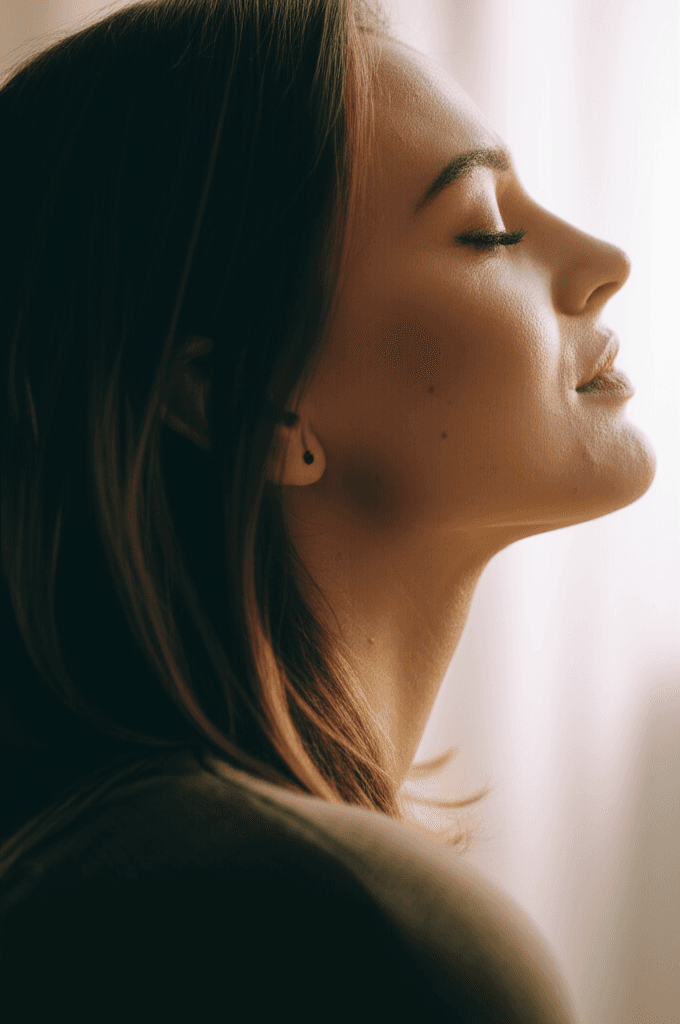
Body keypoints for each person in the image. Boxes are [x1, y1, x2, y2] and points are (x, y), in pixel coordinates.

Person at [0, 0, 656, 1020]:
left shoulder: (90, 869)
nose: (603, 261)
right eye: (483, 229)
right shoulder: (356, 937)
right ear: (251, 404)